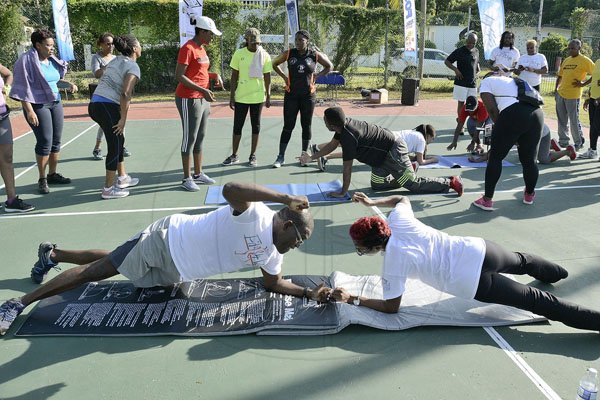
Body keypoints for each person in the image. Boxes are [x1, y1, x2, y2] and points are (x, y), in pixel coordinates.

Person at [0, 181, 330, 335]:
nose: (297, 245)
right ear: (287, 224)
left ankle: (53, 253)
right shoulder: (254, 214)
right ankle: (18, 303)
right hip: (168, 239)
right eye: (298, 239)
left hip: (179, 270)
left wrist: (307, 293)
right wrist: (285, 195)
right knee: (101, 270)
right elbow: (231, 189)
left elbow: (274, 283)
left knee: (120, 261)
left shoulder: (273, 254)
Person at [330, 191, 600, 334]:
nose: (361, 251)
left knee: (538, 302)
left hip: (472, 281)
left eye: (362, 248)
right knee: (522, 260)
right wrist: (372, 202)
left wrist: (353, 299)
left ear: (376, 245)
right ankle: (558, 273)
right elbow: (402, 198)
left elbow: (391, 307)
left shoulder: (393, 264)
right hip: (479, 250)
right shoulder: (399, 220)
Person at [298, 107, 463, 198]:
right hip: (379, 159)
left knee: (412, 184)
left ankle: (449, 182)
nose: (324, 122)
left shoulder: (349, 136)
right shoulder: (344, 126)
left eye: (325, 120)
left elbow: (347, 168)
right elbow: (332, 145)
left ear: (332, 124)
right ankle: (407, 170)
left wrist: (343, 192)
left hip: (393, 151)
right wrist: (312, 157)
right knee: (377, 185)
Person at [10, 28, 78, 195]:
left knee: (56, 141)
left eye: (52, 45)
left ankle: (53, 174)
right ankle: (42, 179)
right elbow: (22, 88)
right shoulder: (25, 61)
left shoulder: (51, 60)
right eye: (48, 45)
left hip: (55, 103)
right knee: (45, 142)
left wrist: (68, 84)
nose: (52, 48)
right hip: (37, 105)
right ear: (38, 45)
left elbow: (53, 81)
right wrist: (29, 111)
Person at [471, 73, 544, 211]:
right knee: (529, 160)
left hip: (514, 113)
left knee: (495, 157)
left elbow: (492, 110)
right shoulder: (514, 81)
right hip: (537, 114)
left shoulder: (486, 82)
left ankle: (487, 200)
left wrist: (506, 130)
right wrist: (514, 133)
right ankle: (529, 194)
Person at [88, 34, 141, 200]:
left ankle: (122, 177)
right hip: (106, 105)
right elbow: (125, 93)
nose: (141, 47)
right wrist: (123, 119)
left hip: (96, 104)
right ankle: (108, 189)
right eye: (139, 44)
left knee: (119, 141)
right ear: (134, 49)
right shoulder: (133, 67)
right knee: (115, 144)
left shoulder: (116, 60)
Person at [271, 29, 332, 168]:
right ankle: (280, 157)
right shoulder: (289, 53)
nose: (298, 42)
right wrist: (284, 77)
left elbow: (329, 66)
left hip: (308, 96)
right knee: (288, 125)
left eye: (301, 40)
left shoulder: (314, 55)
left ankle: (304, 156)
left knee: (306, 125)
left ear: (307, 41)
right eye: (296, 40)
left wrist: (318, 75)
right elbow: (274, 64)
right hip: (291, 95)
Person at [175, 16, 221, 192]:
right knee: (190, 138)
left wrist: (213, 76)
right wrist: (202, 90)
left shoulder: (201, 48)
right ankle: (186, 178)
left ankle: (198, 173)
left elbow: (199, 71)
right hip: (188, 98)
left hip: (202, 98)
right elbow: (179, 76)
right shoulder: (187, 48)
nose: (212, 37)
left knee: (200, 136)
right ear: (201, 31)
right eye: (210, 34)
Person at [222, 28, 272, 167]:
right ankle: (234, 155)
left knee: (256, 127)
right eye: (252, 42)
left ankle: (252, 155)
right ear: (246, 41)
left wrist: (268, 95)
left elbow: (267, 77)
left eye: (257, 42)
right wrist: (231, 96)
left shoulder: (265, 55)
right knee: (237, 127)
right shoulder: (239, 54)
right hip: (241, 97)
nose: (255, 45)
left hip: (258, 97)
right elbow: (234, 77)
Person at [0, 63, 34, 213]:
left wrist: (6, 88)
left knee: (7, 158)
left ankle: (11, 200)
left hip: (2, 116)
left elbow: (8, 74)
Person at [554, 39, 595, 150]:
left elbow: (596, 74)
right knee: (561, 119)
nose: (570, 50)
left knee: (574, 120)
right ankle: (563, 141)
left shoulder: (585, 60)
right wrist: (555, 90)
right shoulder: (566, 60)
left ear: (579, 48)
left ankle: (578, 142)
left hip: (573, 96)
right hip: (561, 94)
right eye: (569, 48)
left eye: (573, 48)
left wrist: (583, 84)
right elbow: (560, 76)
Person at [468, 124, 577, 164]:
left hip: (542, 134)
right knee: (522, 158)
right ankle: (550, 145)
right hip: (531, 134)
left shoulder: (509, 133)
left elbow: (499, 151)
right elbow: (496, 148)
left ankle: (568, 150)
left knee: (543, 159)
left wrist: (479, 160)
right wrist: (483, 155)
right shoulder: (502, 127)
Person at [444, 32, 480, 115]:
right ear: (466, 40)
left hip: (472, 84)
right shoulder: (460, 51)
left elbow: (477, 67)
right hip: (461, 83)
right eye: (469, 42)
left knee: (473, 103)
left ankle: (470, 123)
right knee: (461, 103)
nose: (470, 44)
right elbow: (447, 61)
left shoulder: (476, 51)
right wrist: (456, 70)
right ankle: (460, 122)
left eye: (473, 43)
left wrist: (477, 74)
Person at [578, 40, 600, 160]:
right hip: (593, 98)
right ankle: (592, 150)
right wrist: (588, 96)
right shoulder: (598, 61)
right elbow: (594, 78)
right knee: (593, 125)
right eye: (599, 46)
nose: (599, 48)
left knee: (597, 125)